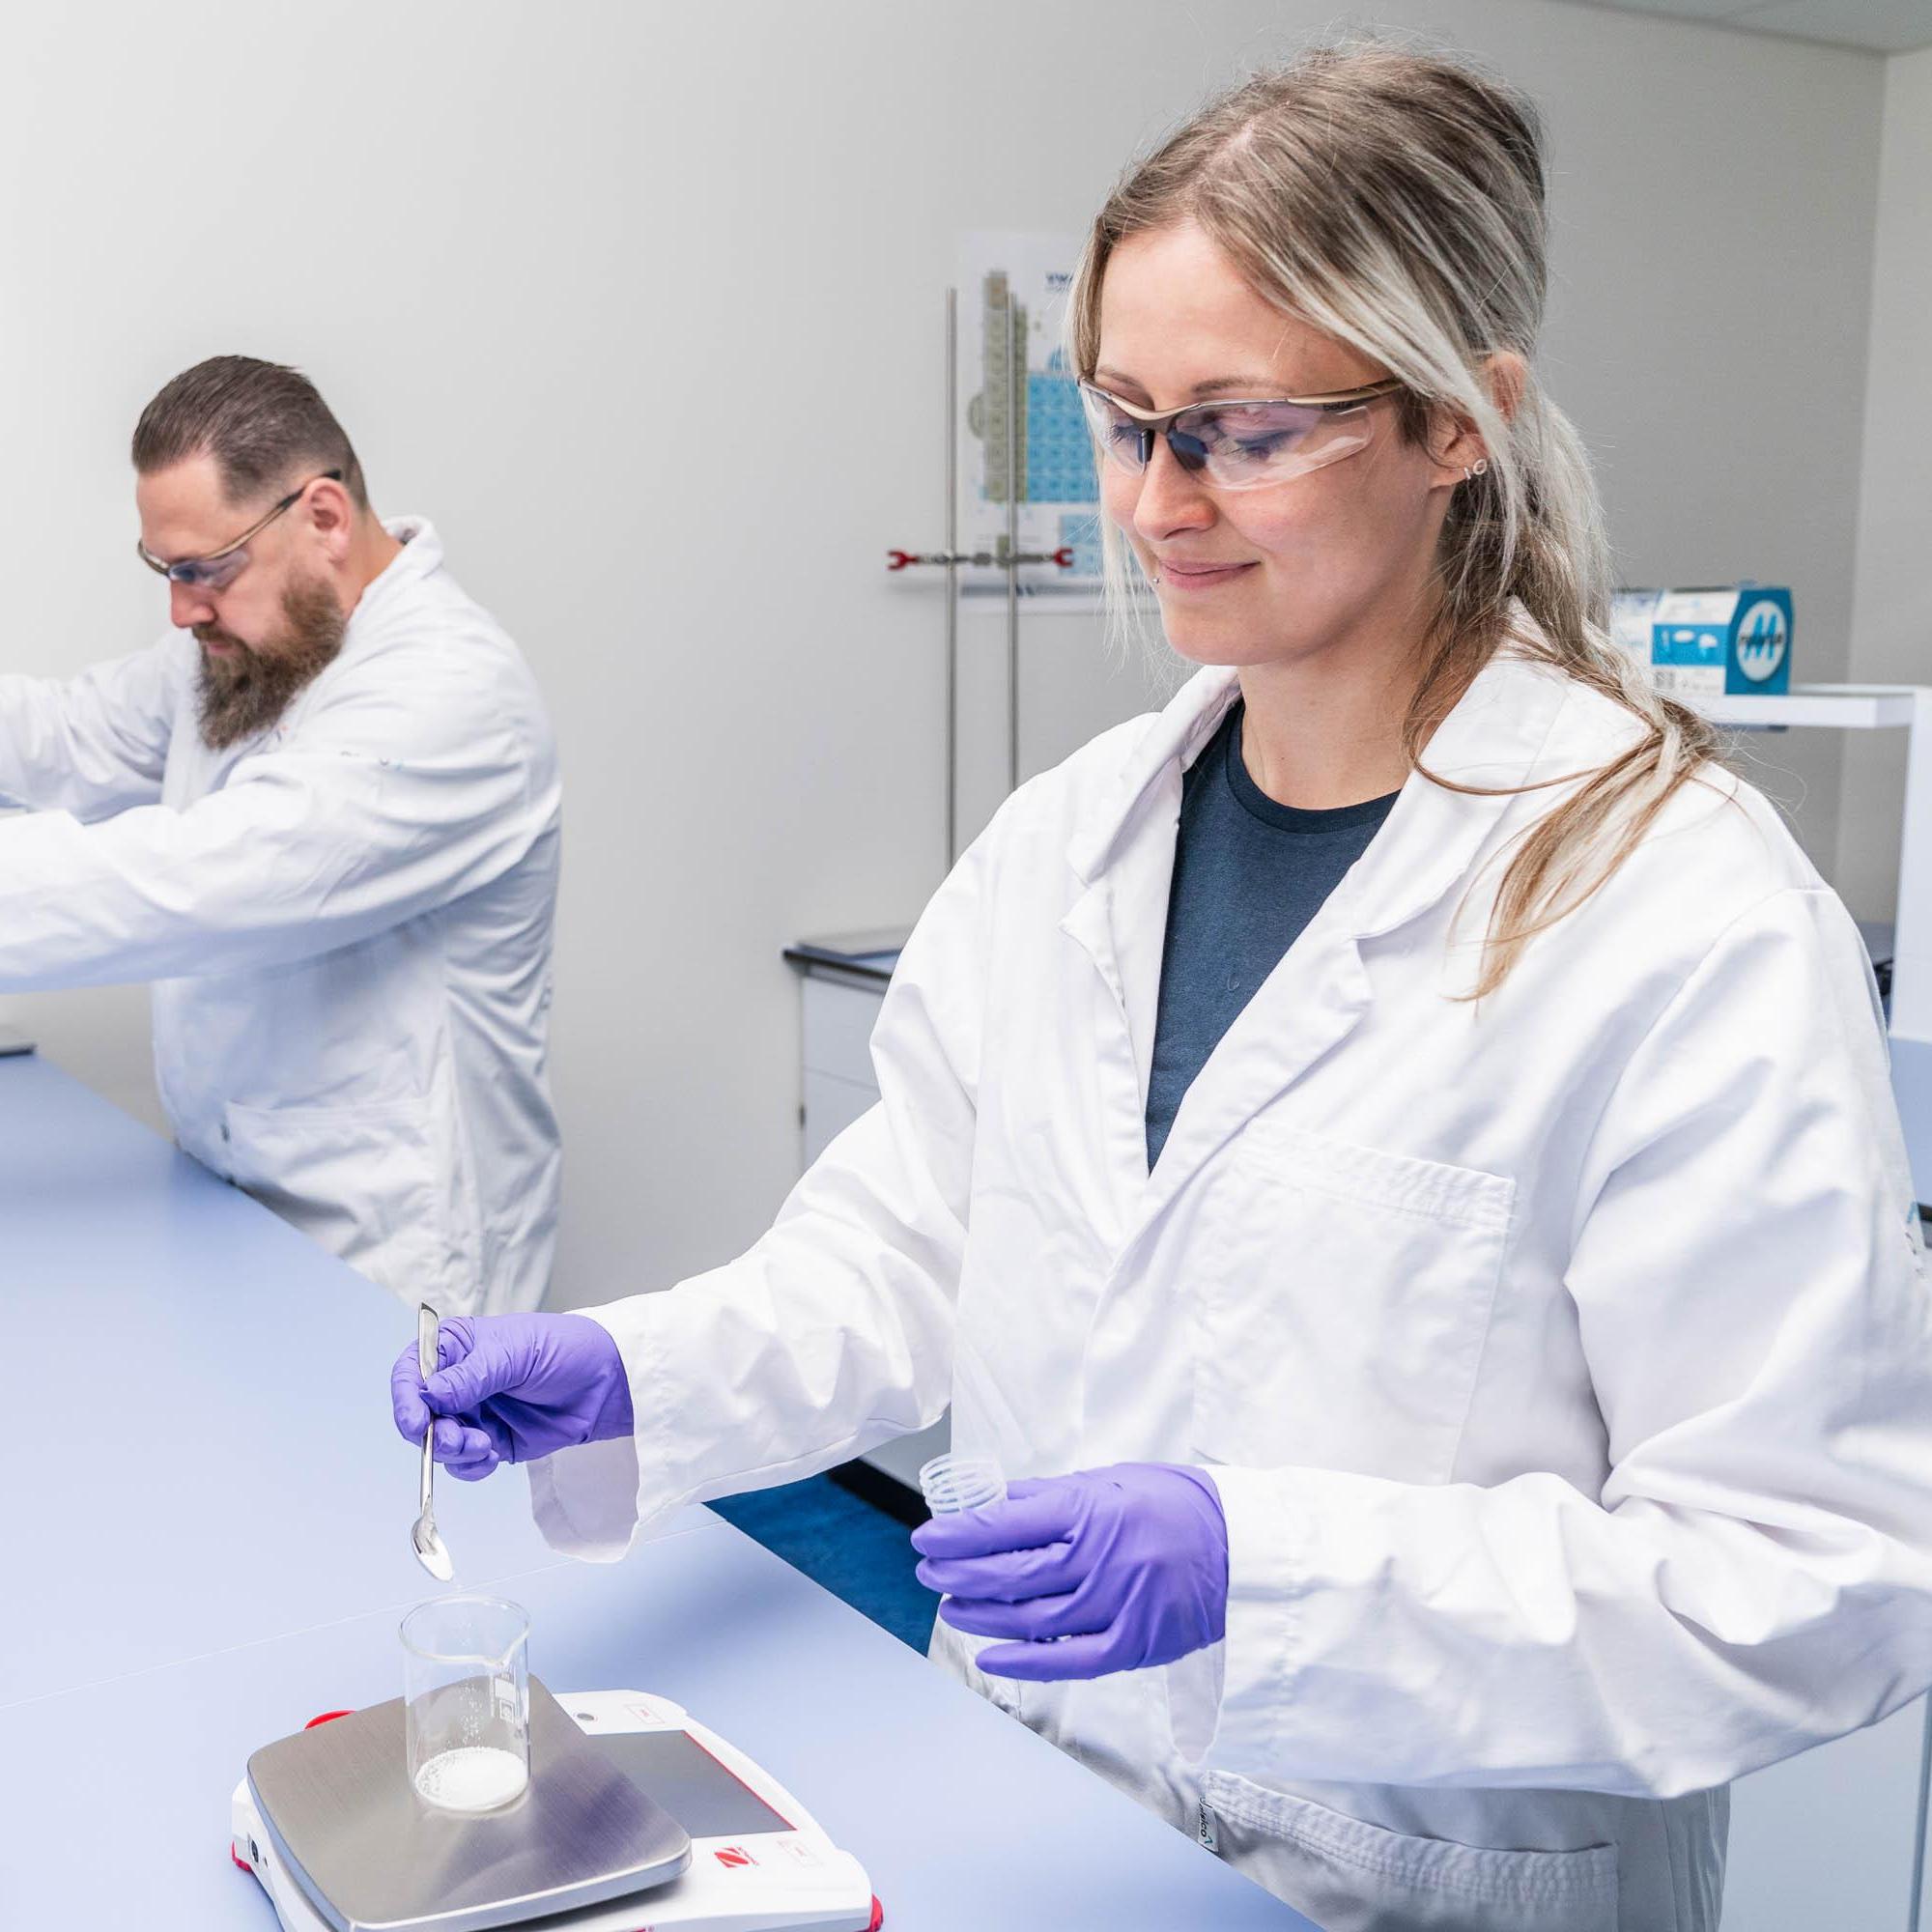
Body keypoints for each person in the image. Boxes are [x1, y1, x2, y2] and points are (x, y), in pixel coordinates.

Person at [388, 41, 1932, 1931]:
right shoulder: (1069, 847)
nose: (1153, 501)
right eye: (1127, 419)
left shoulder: (1679, 916)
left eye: (1243, 429)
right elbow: (911, 1256)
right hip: (1011, 1814)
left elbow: (1812, 1576)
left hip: (1412, 1886)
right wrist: (634, 1371)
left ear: (1464, 421)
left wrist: (1264, 1574)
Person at [0, 356, 560, 1315]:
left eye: (202, 569)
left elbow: (191, 883)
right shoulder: (259, 648)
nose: (182, 609)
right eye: (165, 571)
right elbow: (65, 734)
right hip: (230, 1210)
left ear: (325, 517)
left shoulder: (450, 695)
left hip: (390, 1261)